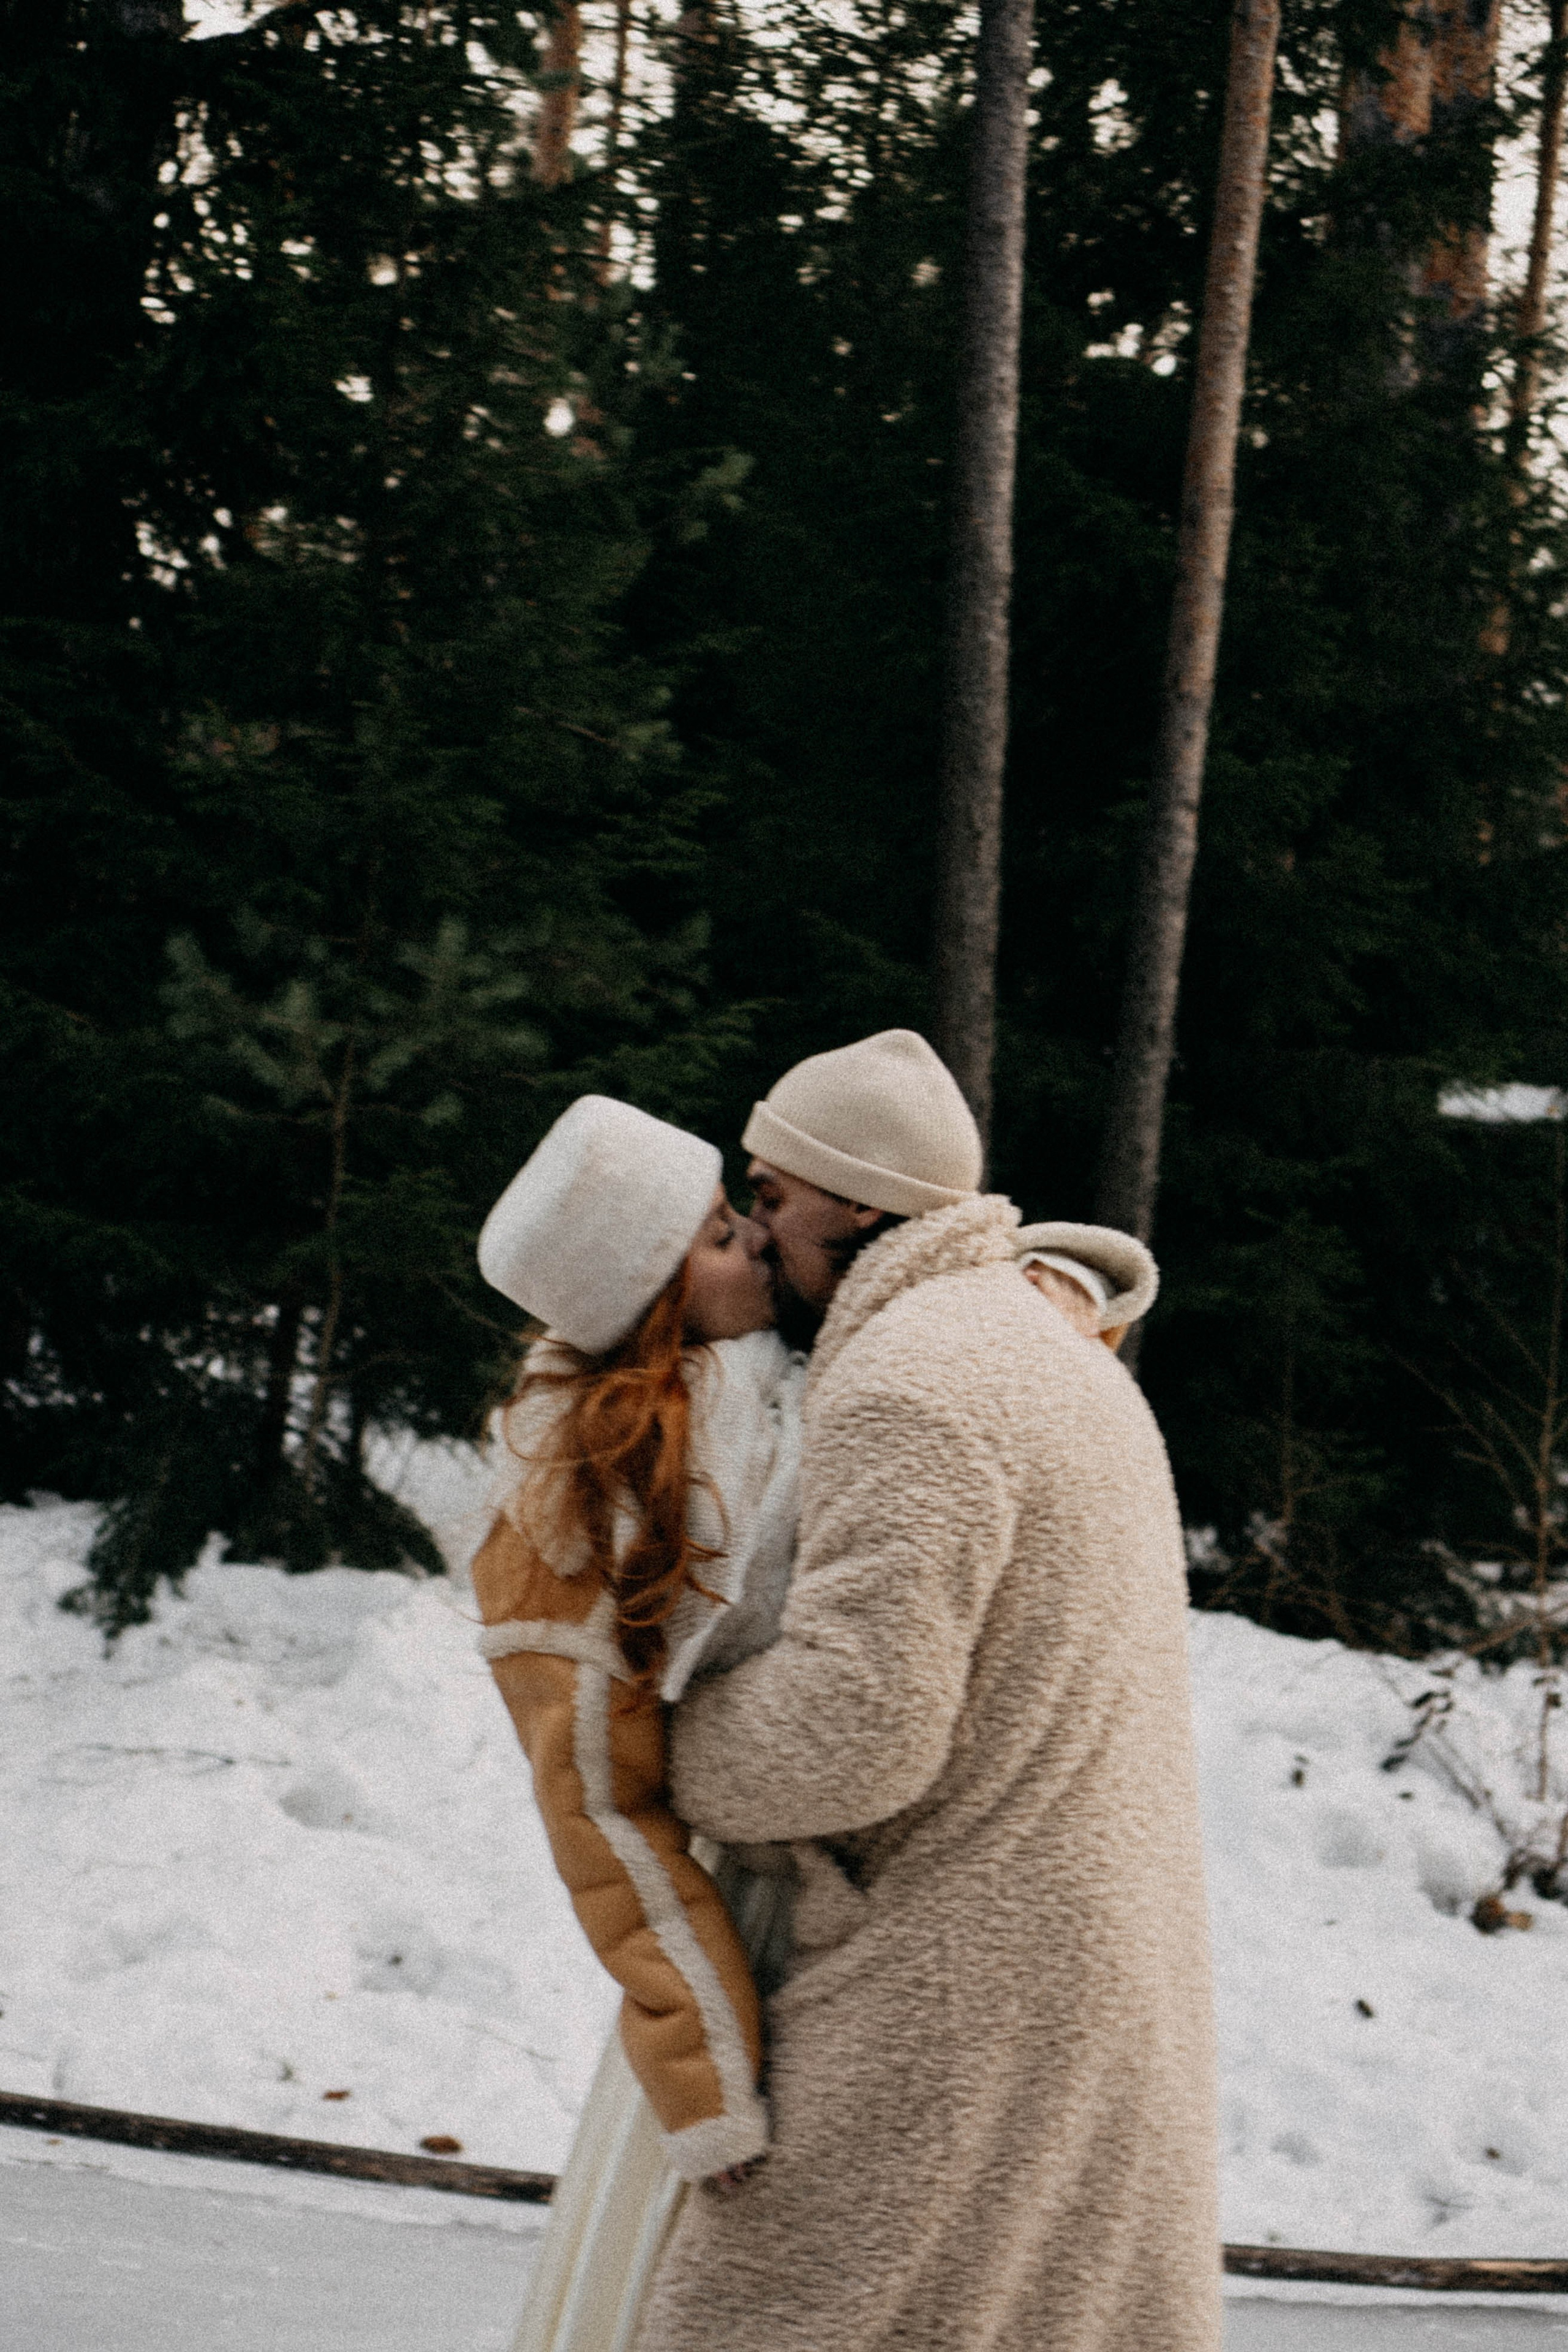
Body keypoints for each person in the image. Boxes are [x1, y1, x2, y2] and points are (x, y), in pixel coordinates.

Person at [466, 1085, 1157, 2352]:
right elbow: (601, 1817)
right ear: (642, 1288)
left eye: (752, 1212)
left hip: (839, 1880)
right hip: (726, 1921)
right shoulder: (576, 1498)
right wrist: (697, 2075)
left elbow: (951, 1323)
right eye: (723, 1232)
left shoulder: (799, 1357)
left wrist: (1050, 1276)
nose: (755, 1245)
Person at [635, 1029, 1222, 2352]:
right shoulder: (1021, 1332)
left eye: (770, 1198)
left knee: (770, 2316)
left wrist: (659, 1742)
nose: (754, 1228)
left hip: (957, 1977)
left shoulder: (910, 1379)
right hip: (1074, 1948)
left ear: (854, 1203)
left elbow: (858, 1728)